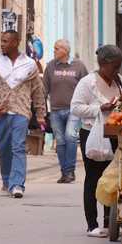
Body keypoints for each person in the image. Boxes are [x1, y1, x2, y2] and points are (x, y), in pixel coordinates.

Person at [0, 30, 47, 198]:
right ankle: (6, 180)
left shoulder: (30, 65)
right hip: (0, 113)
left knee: (18, 147)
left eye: (6, 41)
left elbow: (38, 91)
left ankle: (17, 184)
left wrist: (40, 113)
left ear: (16, 42)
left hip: (21, 112)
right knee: (4, 148)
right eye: (1, 41)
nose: (2, 44)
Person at [70, 45, 122, 236]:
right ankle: (92, 224)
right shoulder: (87, 83)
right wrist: (99, 109)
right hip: (92, 133)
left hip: (114, 134)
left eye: (119, 66)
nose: (117, 70)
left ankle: (109, 221)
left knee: (111, 179)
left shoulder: (119, 81)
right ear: (103, 64)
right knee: (93, 178)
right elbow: (75, 108)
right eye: (114, 66)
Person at [43, 39, 88, 184]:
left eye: (57, 49)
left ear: (65, 51)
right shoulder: (50, 66)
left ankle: (70, 171)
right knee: (60, 141)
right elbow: (44, 88)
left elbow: (86, 86)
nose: (54, 51)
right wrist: (41, 109)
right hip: (55, 110)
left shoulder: (78, 66)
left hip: (74, 110)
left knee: (70, 137)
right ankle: (64, 171)